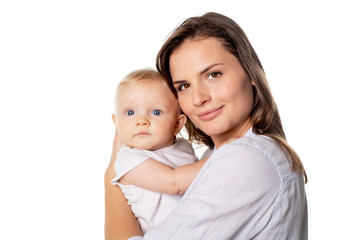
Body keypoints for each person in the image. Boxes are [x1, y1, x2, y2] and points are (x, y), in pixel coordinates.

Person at [105, 12, 308, 240]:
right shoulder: (215, 156)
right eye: (183, 86)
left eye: (213, 74)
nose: (198, 98)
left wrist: (112, 180)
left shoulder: (245, 159)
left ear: (250, 72)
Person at [110, 69, 207, 234]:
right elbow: (174, 183)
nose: (141, 121)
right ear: (116, 122)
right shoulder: (129, 160)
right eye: (130, 112)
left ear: (177, 124)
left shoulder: (183, 147)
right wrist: (224, 155)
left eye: (156, 112)